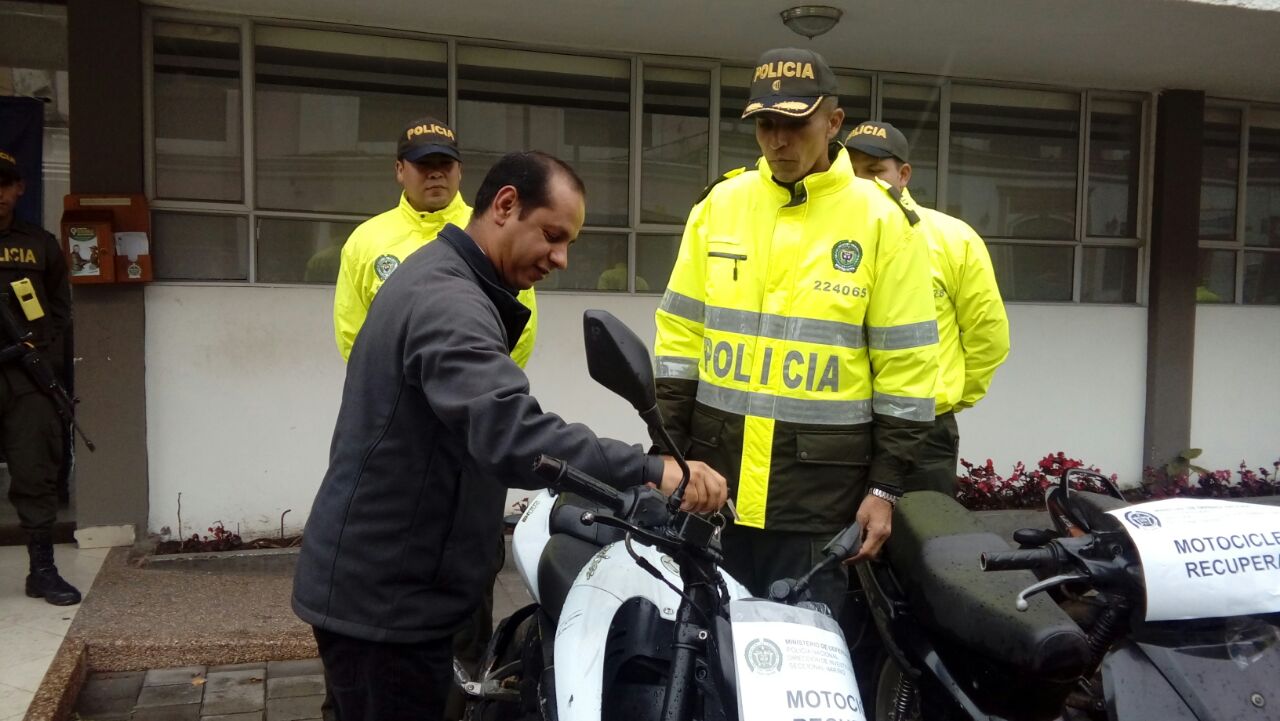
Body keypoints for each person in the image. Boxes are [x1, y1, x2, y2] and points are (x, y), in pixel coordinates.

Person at [293, 151, 728, 721]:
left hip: (400, 588)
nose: (562, 258)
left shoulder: (451, 282)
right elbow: (512, 432)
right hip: (386, 607)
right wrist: (650, 469)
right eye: (552, 235)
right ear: (504, 206)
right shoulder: (448, 301)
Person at [652, 49, 939, 615]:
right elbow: (679, 343)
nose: (777, 141)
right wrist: (668, 457)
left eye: (794, 124)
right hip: (716, 487)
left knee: (804, 666)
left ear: (834, 123)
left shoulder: (883, 222)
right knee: (707, 657)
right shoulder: (719, 206)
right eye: (765, 124)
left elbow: (907, 373)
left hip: (817, 503)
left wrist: (884, 490)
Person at [845, 120, 1010, 494]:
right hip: (842, 429)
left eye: (874, 172)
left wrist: (945, 395)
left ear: (903, 175)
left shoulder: (952, 238)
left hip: (922, 430)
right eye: (852, 174)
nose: (863, 185)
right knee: (845, 546)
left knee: (923, 541)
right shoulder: (827, 241)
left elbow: (989, 337)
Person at [332, 117, 537, 366]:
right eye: (424, 164)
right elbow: (352, 331)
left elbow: (522, 323)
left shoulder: (495, 231)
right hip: (399, 399)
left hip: (476, 393)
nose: (436, 173)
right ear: (399, 169)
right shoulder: (365, 241)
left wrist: (488, 385)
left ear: (460, 170)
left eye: (446, 164)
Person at [0, 149, 80, 606]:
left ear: (19, 188)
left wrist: (37, 354)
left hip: (26, 376)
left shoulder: (39, 244)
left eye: (5, 184)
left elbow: (59, 309)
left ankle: (42, 569)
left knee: (36, 469)